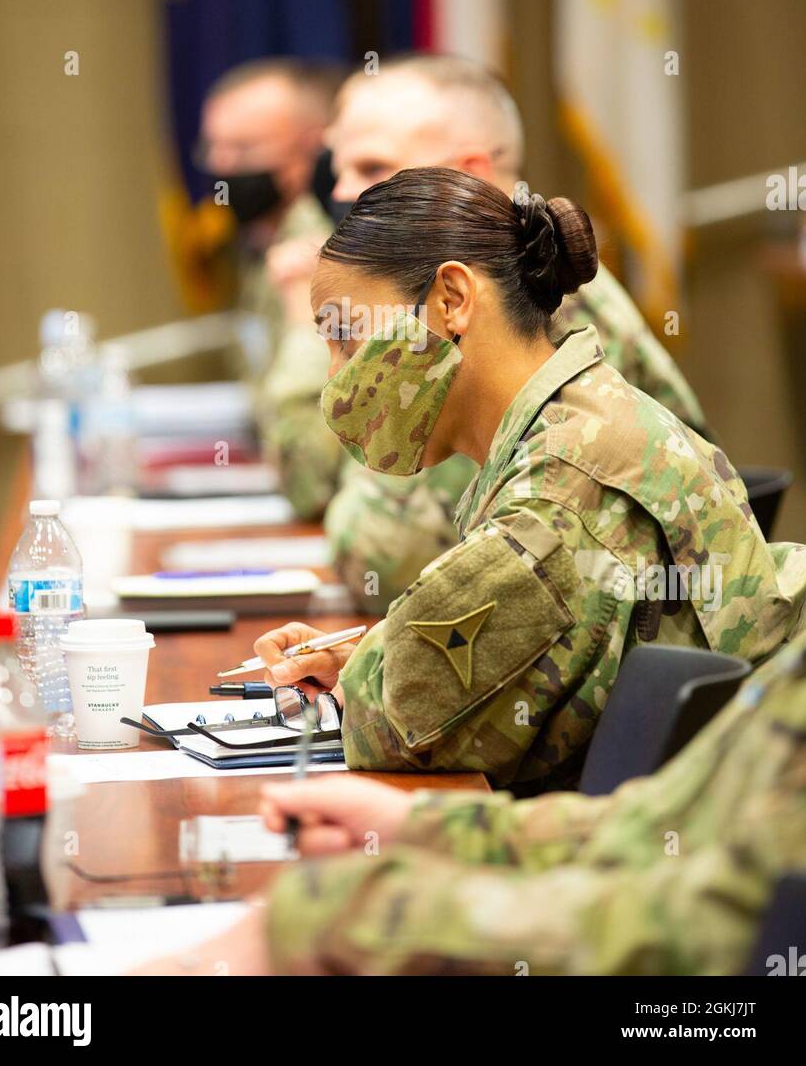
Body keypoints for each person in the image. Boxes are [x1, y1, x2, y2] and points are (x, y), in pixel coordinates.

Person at [254, 168, 800, 793]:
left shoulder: (559, 488)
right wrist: (368, 654)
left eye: (346, 336)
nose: (336, 378)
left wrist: (371, 672)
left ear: (452, 300)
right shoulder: (576, 413)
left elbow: (397, 722)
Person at [267, 55, 710, 608]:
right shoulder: (463, 298)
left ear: (469, 173)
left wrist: (312, 330)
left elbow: (384, 552)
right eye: (339, 170)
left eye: (372, 169)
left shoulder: (526, 309)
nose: (340, 194)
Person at [131, 615, 806, 976]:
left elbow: (703, 939)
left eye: (344, 344)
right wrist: (422, 824)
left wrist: (329, 920)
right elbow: (662, 828)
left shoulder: (563, 474)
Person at [199, 58, 346, 517]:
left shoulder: (325, 254)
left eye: (242, 150)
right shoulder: (256, 248)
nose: (221, 166)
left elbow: (320, 466)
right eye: (213, 148)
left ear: (308, 150)